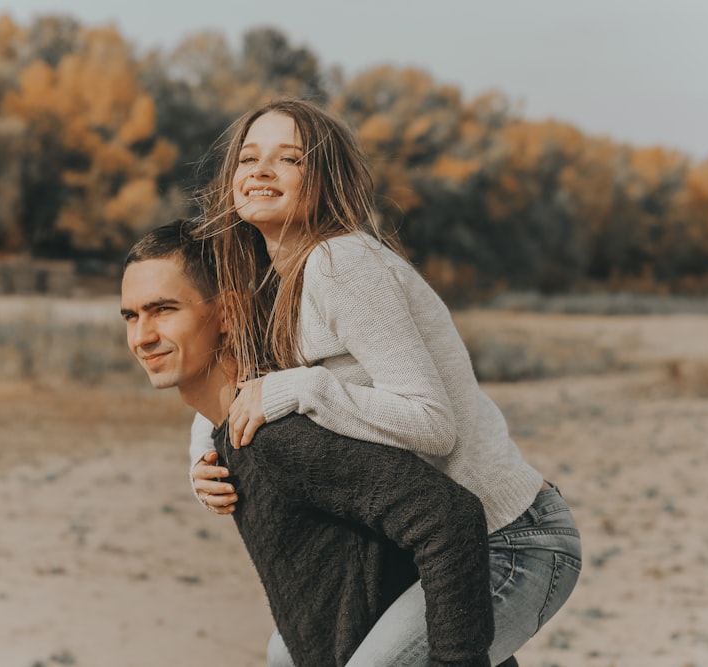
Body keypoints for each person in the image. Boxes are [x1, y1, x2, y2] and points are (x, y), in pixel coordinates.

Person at [190, 98, 582, 666]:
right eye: (248, 157)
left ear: (325, 180)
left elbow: (432, 422)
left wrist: (303, 388)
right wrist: (201, 454)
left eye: (289, 159)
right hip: (414, 552)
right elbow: (232, 386)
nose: (261, 170)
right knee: (287, 654)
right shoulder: (272, 282)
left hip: (507, 540)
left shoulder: (340, 263)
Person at [120, 220, 497, 666]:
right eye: (130, 315)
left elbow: (450, 517)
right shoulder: (231, 437)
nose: (141, 337)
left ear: (227, 313)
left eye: (163, 310)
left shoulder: (279, 436)